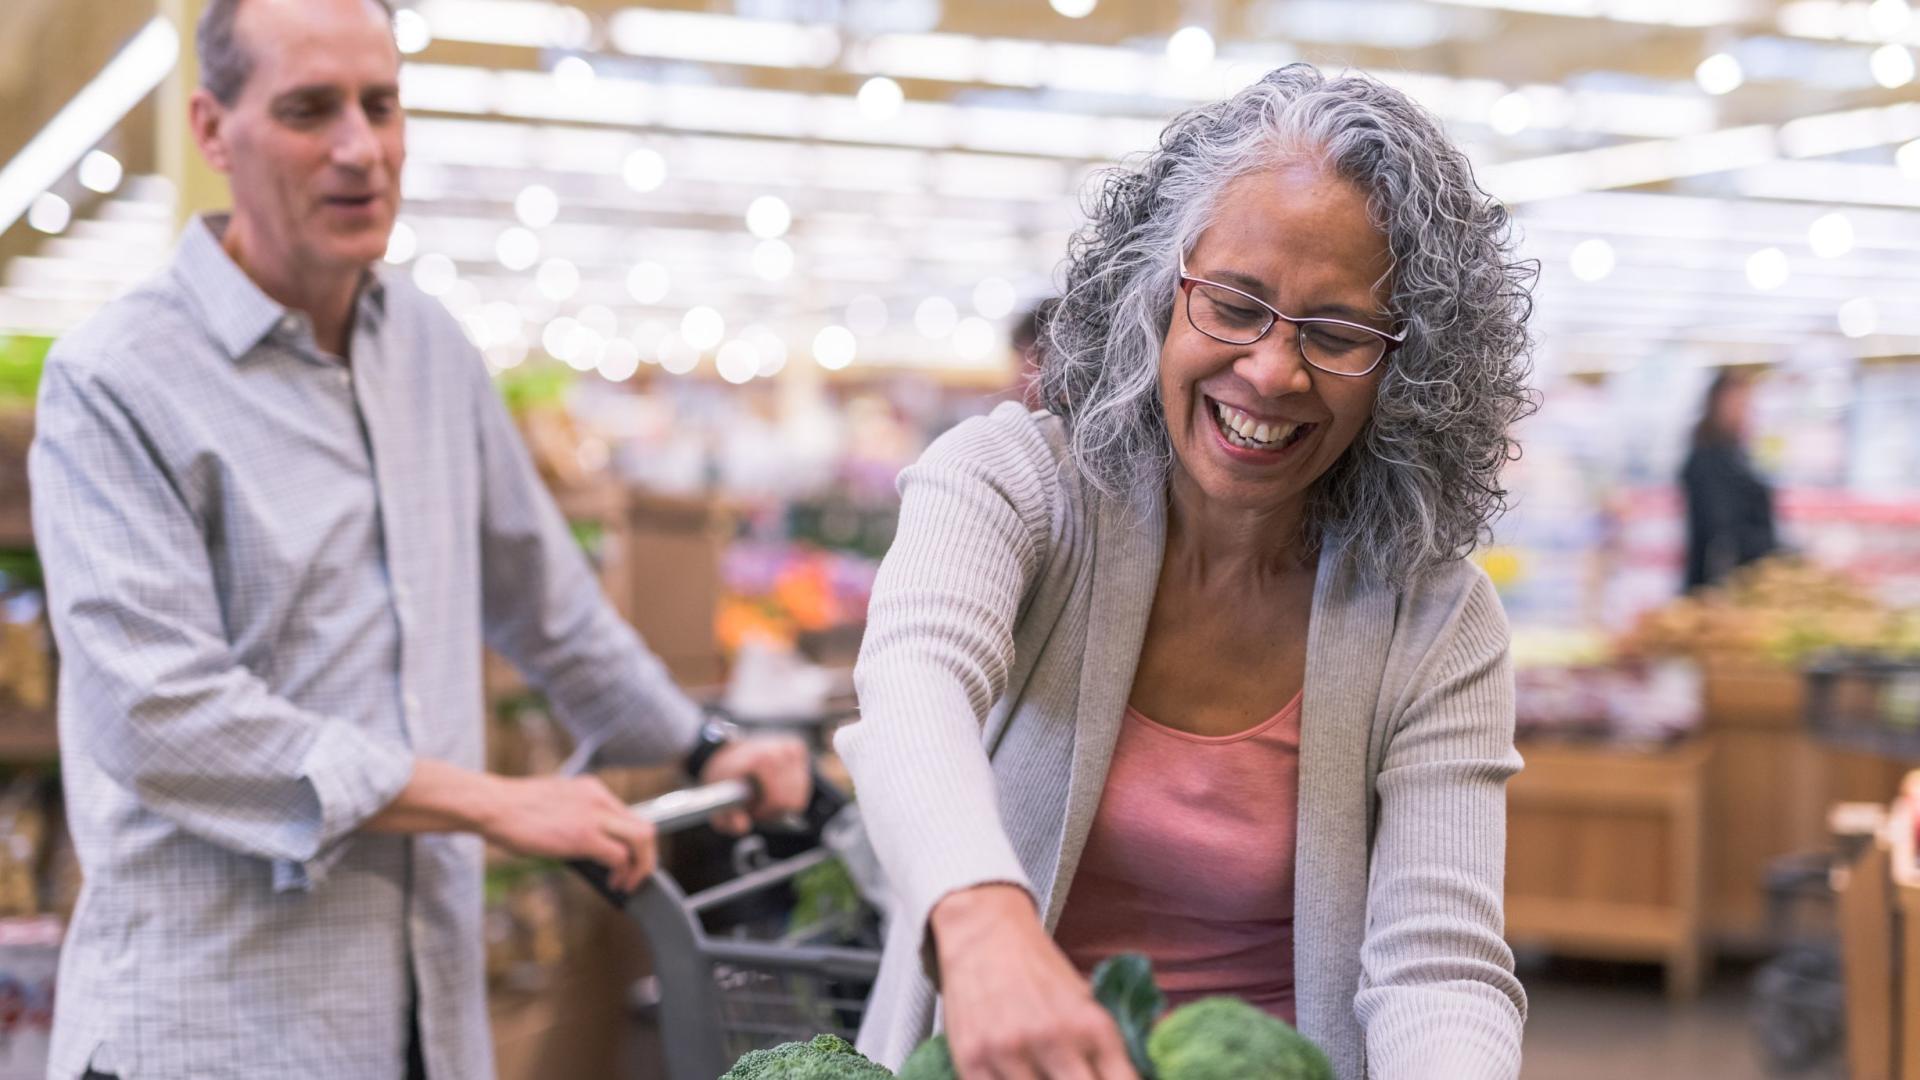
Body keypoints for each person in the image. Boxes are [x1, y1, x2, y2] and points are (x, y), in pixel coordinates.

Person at [29, 2, 810, 1078]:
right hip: (211, 1024)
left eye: (380, 104)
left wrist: (707, 746)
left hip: (419, 1016)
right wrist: (497, 802)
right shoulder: (116, 380)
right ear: (213, 130)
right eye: (310, 110)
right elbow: (158, 715)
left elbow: (549, 606)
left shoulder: (431, 351)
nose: (360, 147)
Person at [836, 65, 1536, 1079]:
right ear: (1160, 294)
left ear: (1410, 370)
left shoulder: (1434, 620)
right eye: (1236, 305)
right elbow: (913, 684)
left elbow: (1439, 965)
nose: (1272, 371)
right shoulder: (1014, 487)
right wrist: (983, 924)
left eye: (1337, 334)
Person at [1681, 368, 1776, 591]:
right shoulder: (1706, 458)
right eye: (1737, 403)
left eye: (1745, 404)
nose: (1742, 411)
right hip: (1724, 577)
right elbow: (1718, 525)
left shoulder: (1737, 454)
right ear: (1716, 404)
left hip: (1748, 572)